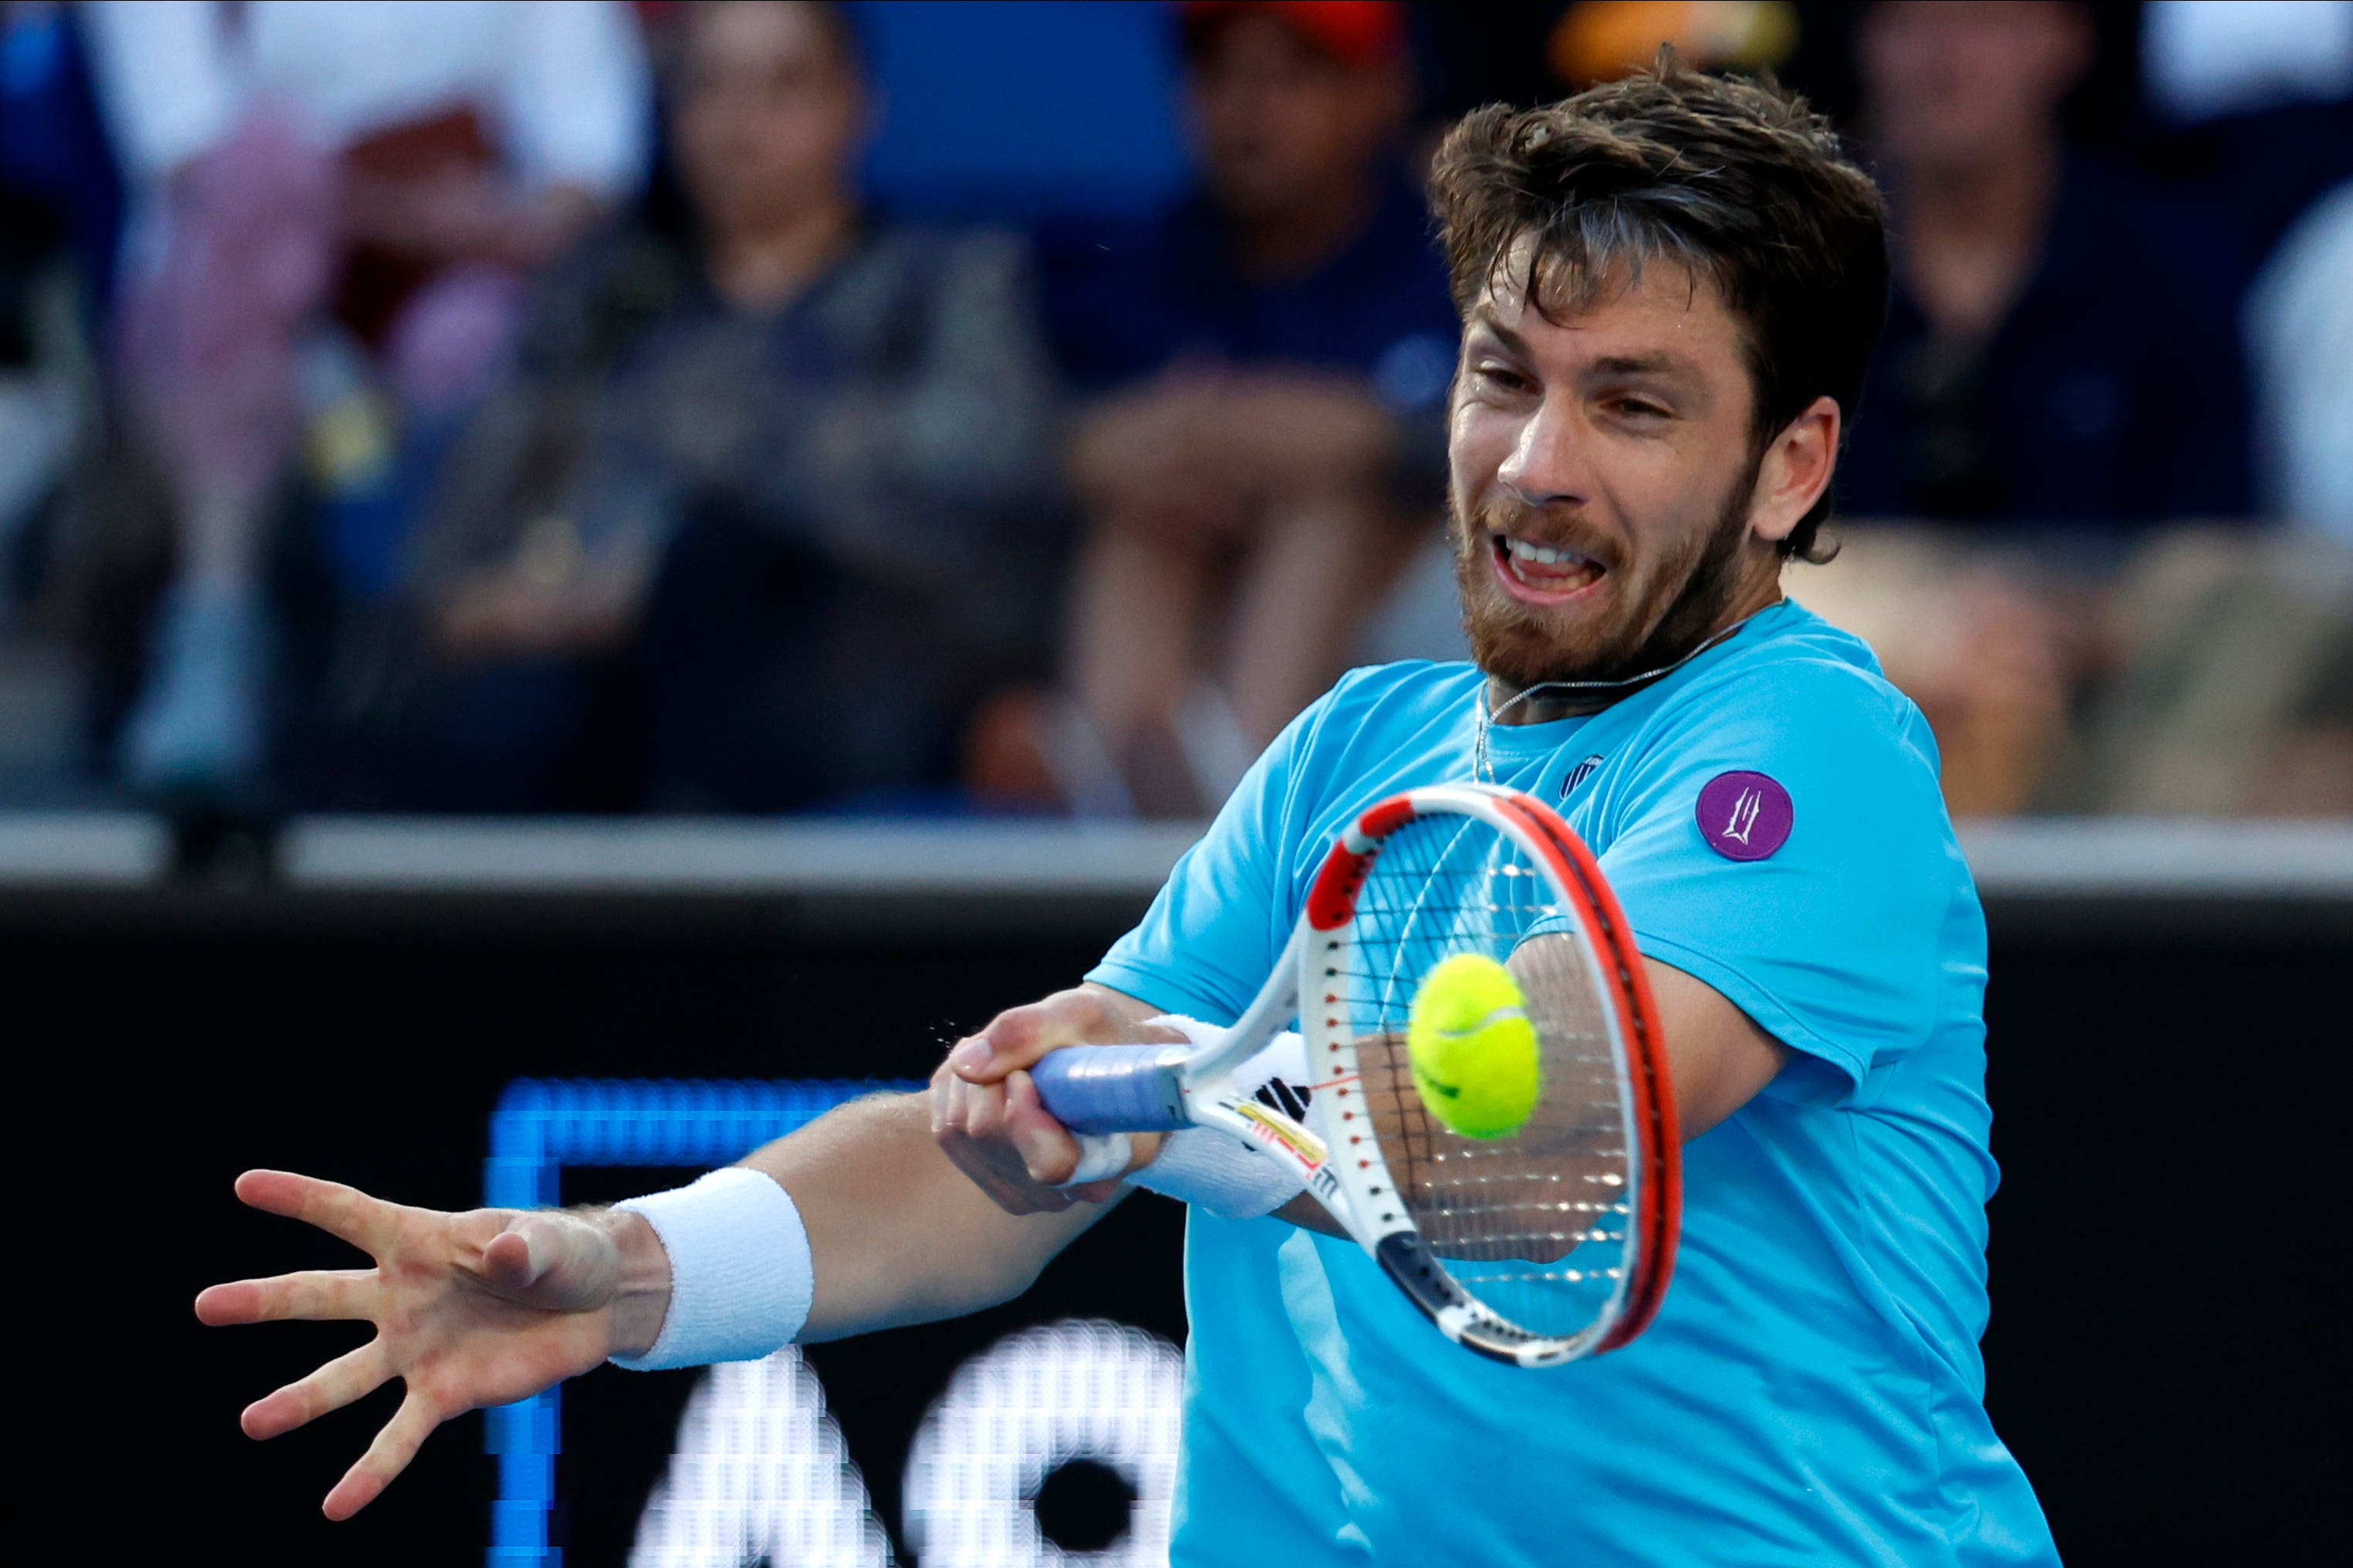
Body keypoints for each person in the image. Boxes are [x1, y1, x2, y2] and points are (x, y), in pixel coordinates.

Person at [197, 61, 2058, 1565]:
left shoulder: (1811, 747)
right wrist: (626, 1272)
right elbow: (987, 1175)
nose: (1533, 464)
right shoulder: (1352, 752)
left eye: (1631, 405)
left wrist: (1169, 1083)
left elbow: (1560, 1142)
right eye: (1503, 379)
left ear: (1785, 463)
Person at [326, 0, 1060, 812]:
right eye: (710, 87)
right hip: (580, 685)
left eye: (781, 87)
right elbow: (467, 516)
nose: (738, 123)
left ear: (853, 109)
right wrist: (488, 601)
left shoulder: (941, 281)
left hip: (849, 675)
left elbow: (993, 456)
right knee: (409, 722)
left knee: (717, 569)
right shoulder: (605, 302)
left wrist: (663, 566)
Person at [76, 0, 651, 797]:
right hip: (233, 311)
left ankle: (420, 668)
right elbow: (184, 148)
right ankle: (216, 628)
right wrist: (388, 210)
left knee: (472, 332)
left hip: (452, 277)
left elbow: (588, 156)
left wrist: (497, 222)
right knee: (262, 167)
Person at [1019, 0, 1460, 817]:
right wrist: (1090, 447)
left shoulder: (1450, 257)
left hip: (1417, 651)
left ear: (1377, 92)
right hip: (1192, 613)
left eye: (1290, 76)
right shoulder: (1139, 264)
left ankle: (1239, 797)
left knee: (1335, 499)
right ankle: (1117, 783)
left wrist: (1366, 433)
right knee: (1145, 503)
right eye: (1221, 75)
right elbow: (1013, 449)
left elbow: (1523, 446)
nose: (1249, 110)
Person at [1836, 0, 2250, 525]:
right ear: (1862, 42)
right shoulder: (1793, 271)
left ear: (2071, 41)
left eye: (1990, 22)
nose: (1946, 59)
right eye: (1908, 22)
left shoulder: (2174, 274)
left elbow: (2216, 546)